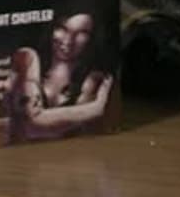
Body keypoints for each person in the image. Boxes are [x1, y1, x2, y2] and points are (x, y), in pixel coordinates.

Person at [6, 11, 114, 142]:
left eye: (81, 33)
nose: (69, 40)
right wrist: (96, 108)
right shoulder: (27, 57)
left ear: (93, 38)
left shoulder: (94, 79)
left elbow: (84, 133)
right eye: (62, 28)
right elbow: (29, 126)